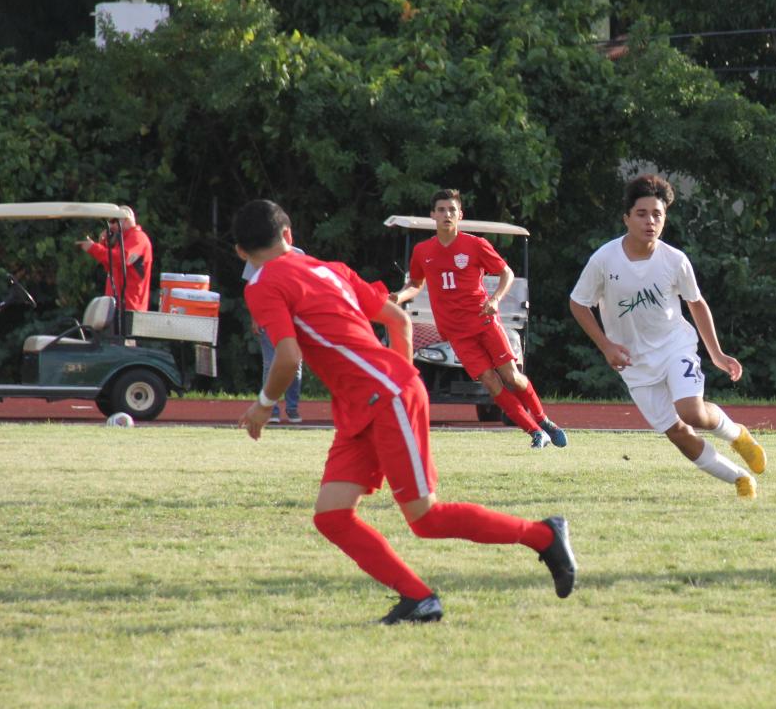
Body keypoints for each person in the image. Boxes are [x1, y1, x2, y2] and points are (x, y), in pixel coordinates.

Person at [234, 199, 575, 624]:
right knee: (332, 516)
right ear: (289, 236)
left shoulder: (261, 285)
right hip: (367, 403)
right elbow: (399, 320)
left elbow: (286, 358)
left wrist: (264, 406)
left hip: (384, 397)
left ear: (241, 253)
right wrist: (399, 374)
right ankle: (418, 598)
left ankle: (544, 535)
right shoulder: (331, 269)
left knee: (426, 517)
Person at [569, 174, 766, 498]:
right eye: (642, 214)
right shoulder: (604, 259)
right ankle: (738, 479)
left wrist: (716, 353)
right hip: (635, 365)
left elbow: (696, 303)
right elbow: (577, 302)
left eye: (657, 214)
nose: (650, 221)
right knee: (678, 433)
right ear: (627, 218)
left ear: (665, 219)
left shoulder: (675, 260)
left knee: (692, 412)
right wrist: (605, 346)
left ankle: (737, 435)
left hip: (676, 347)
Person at [392, 190, 566, 449]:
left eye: (451, 210)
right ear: (432, 215)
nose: (446, 215)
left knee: (512, 377)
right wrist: (400, 296)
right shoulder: (423, 250)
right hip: (457, 333)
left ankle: (544, 421)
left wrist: (494, 300)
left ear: (460, 215)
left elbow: (506, 273)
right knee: (489, 381)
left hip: (484, 323)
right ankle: (534, 432)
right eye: (441, 210)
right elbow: (416, 283)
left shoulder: (475, 245)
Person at [243, 250, 304, 424]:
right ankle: (272, 409)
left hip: (294, 318)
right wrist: (255, 316)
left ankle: (292, 408)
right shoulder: (257, 253)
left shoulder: (298, 254)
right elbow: (251, 285)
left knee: (296, 363)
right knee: (270, 364)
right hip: (269, 316)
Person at [75, 208, 153, 312]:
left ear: (125, 220)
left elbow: (121, 259)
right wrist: (102, 244)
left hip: (130, 307)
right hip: (117, 306)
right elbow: (111, 266)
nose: (110, 226)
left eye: (113, 221)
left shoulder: (138, 237)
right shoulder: (122, 241)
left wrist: (94, 248)